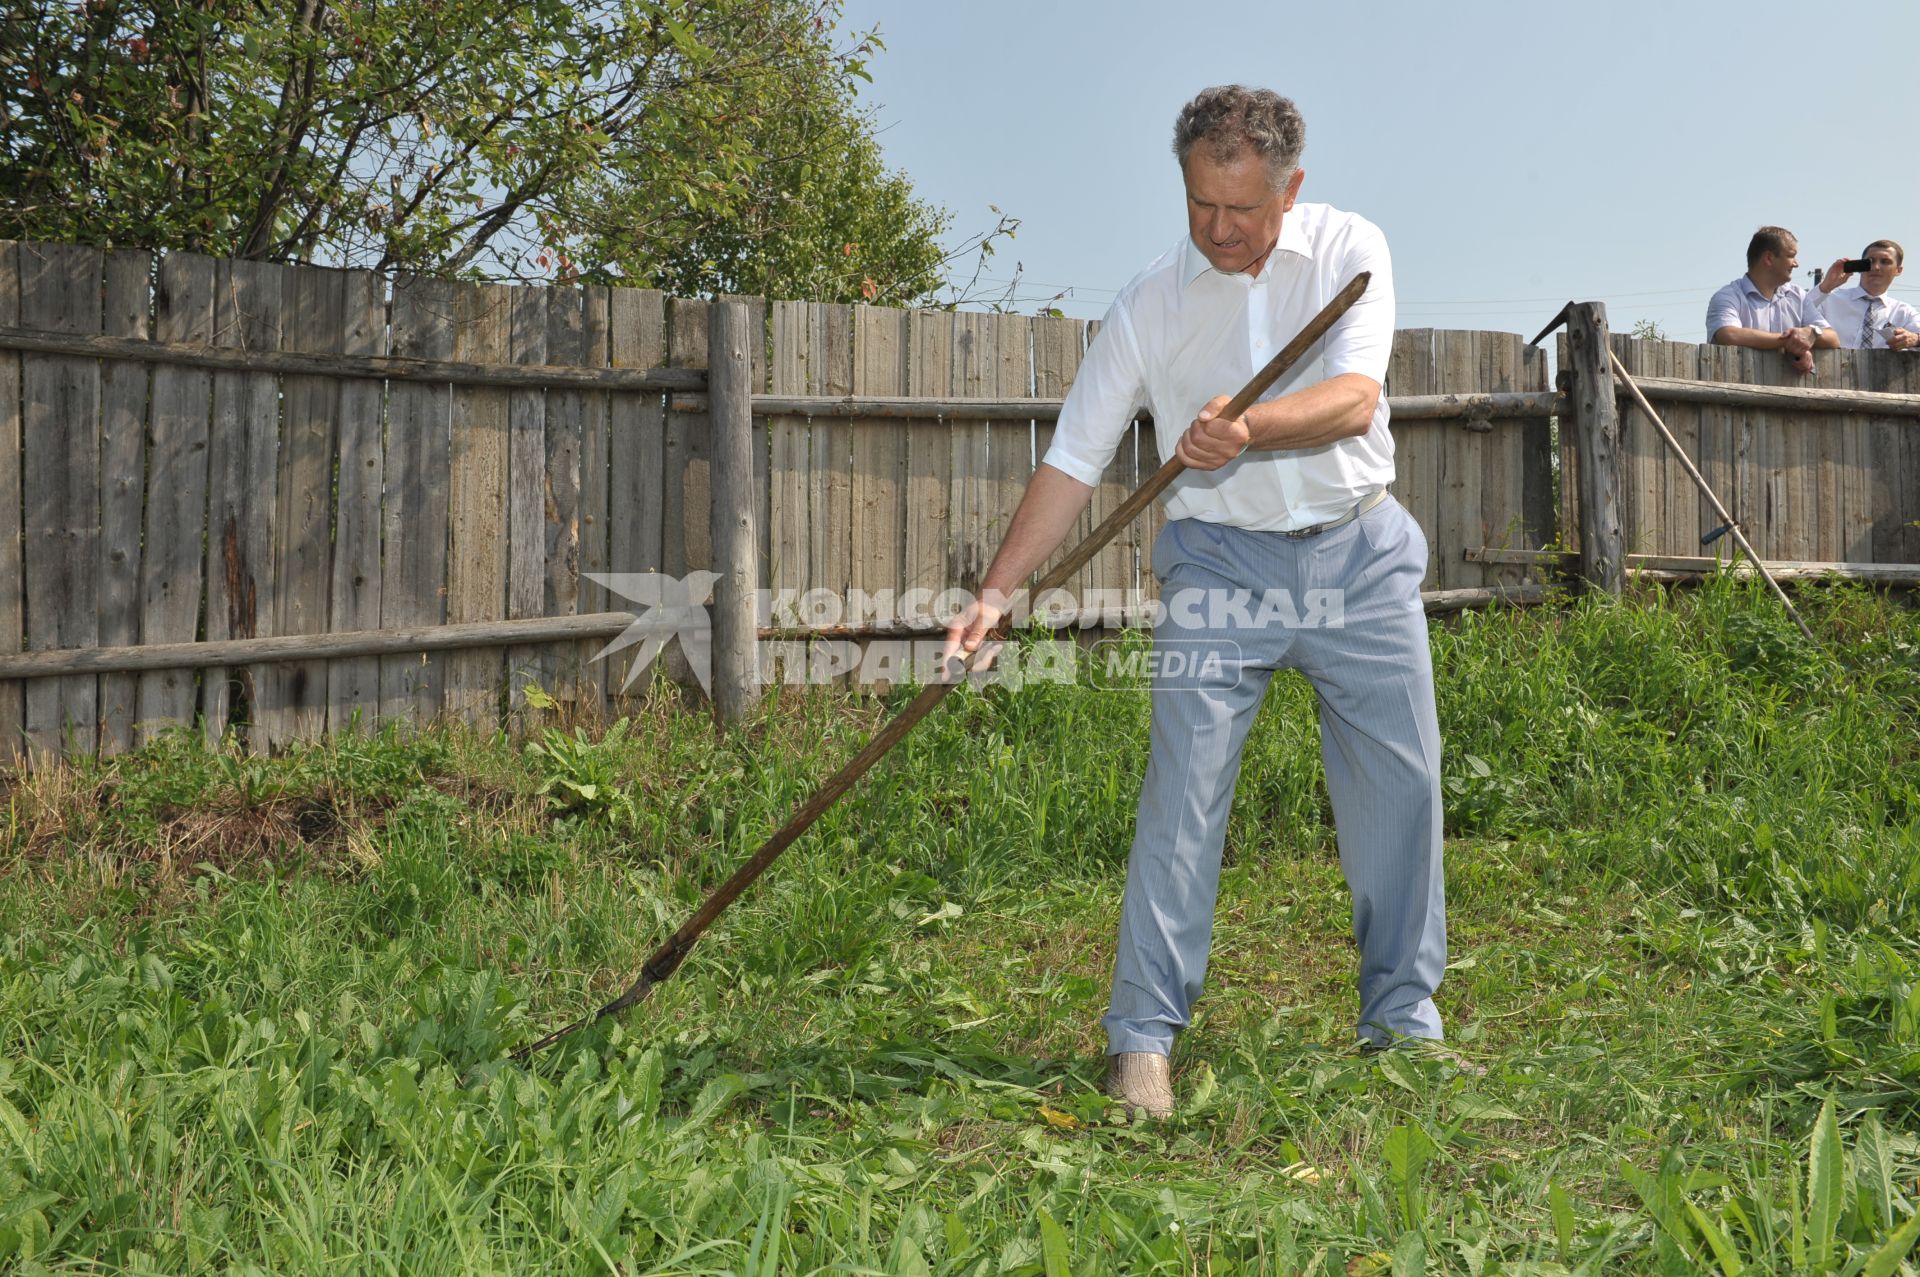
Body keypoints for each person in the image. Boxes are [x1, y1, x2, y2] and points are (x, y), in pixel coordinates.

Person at [943, 85, 1447, 1120]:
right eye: (1200, 206)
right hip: (1220, 566)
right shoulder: (1149, 304)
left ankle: (1401, 1022)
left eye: (1243, 210)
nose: (1220, 231)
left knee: (1401, 793)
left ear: (1290, 190)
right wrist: (997, 594)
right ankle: (1141, 1039)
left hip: (1361, 555)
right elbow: (1075, 460)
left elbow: (1357, 398)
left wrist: (1252, 427)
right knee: (1184, 794)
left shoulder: (1352, 248)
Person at [1706, 227, 1837, 375]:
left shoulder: (1798, 296)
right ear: (1768, 258)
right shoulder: (1727, 296)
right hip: (1735, 393)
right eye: (1791, 255)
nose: (1796, 263)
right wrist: (1793, 342)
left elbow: (1833, 338)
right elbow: (1729, 335)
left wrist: (1813, 333)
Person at [1810, 240, 1920, 350]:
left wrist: (1915, 339)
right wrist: (1826, 286)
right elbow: (1797, 315)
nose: (1876, 267)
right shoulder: (1829, 299)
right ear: (1860, 266)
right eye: (1870, 261)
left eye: (1885, 262)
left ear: (1898, 270)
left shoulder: (1904, 312)